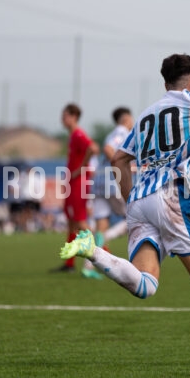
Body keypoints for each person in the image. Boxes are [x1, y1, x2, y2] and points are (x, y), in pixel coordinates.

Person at [61, 4, 190, 365]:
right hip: (173, 197)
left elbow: (118, 160)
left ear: (164, 83)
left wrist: (132, 199)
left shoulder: (143, 116)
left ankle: (92, 250)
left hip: (140, 201)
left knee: (146, 284)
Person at [81, 107, 135, 279]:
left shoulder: (115, 132)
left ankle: (88, 266)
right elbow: (108, 148)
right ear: (126, 119)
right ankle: (108, 237)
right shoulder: (122, 131)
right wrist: (120, 165)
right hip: (112, 182)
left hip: (99, 183)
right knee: (136, 216)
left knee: (100, 226)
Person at [50, 103, 99, 273]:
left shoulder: (78, 134)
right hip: (72, 183)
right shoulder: (72, 136)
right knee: (71, 223)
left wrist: (81, 168)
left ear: (73, 117)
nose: (62, 119)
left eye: (64, 116)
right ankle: (69, 264)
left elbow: (93, 148)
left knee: (80, 222)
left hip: (79, 184)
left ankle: (102, 255)